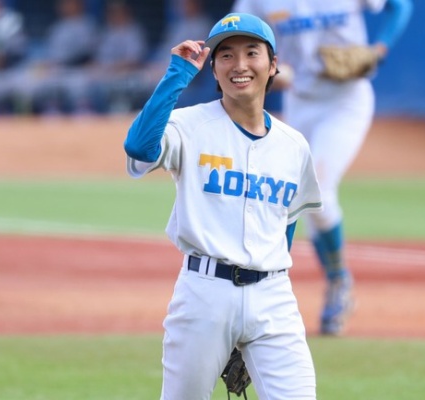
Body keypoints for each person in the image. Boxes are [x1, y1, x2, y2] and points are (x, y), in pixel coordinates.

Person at [124, 12, 323, 400]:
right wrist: (178, 74)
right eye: (226, 55)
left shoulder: (293, 145)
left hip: (274, 298)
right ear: (213, 68)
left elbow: (285, 224)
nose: (240, 65)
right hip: (204, 294)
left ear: (273, 65)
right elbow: (139, 147)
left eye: (252, 53)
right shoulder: (189, 126)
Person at [232, 0, 413, 335]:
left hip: (347, 100)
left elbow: (399, 6)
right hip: (300, 103)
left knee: (319, 189)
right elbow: (235, 38)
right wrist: (267, 70)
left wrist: (380, 47)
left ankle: (339, 280)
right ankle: (335, 282)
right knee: (302, 200)